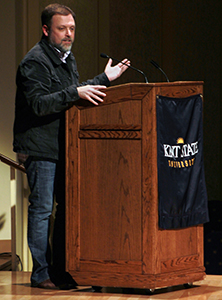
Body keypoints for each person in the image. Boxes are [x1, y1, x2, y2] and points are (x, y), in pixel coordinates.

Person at [13, 3, 129, 290]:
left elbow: (72, 97)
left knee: (69, 208)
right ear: (46, 30)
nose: (68, 34)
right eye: (62, 28)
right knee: (41, 210)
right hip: (41, 148)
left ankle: (66, 269)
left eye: (72, 29)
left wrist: (104, 80)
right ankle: (41, 273)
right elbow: (40, 104)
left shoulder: (68, 59)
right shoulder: (34, 62)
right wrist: (75, 91)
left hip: (68, 145)